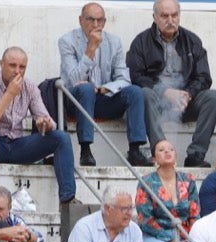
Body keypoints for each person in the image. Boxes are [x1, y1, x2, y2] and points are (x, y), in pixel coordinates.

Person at [0, 48, 75, 205]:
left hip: (16, 145)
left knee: (61, 137)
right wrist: (9, 94)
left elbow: (47, 119)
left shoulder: (30, 87)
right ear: (1, 64)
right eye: (12, 65)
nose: (17, 71)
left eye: (22, 67)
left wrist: (44, 124)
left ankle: (68, 199)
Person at [54, 3, 151, 169]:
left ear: (105, 22)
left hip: (104, 97)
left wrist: (107, 88)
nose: (96, 24)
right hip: (77, 101)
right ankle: (86, 149)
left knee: (135, 92)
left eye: (100, 20)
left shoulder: (114, 42)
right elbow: (72, 80)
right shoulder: (67, 41)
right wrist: (90, 48)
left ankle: (135, 149)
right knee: (85, 89)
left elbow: (124, 78)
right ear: (80, 20)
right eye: (90, 19)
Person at [127, 0, 216, 169]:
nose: (170, 20)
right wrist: (165, 92)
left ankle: (196, 154)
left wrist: (187, 94)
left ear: (179, 16)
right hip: (157, 103)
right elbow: (136, 76)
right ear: (155, 17)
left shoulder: (192, 41)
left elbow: (203, 77)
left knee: (213, 97)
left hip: (186, 102)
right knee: (145, 94)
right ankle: (160, 150)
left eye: (174, 15)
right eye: (164, 16)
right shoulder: (141, 42)